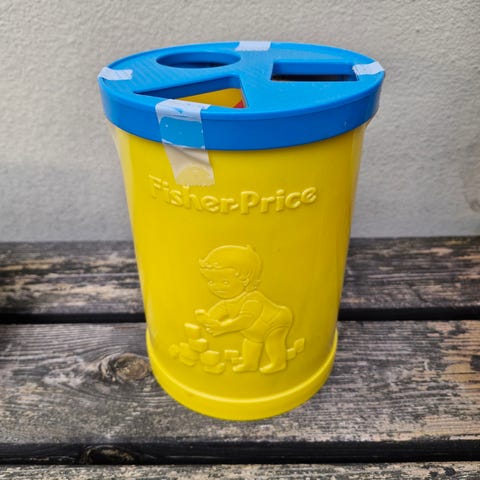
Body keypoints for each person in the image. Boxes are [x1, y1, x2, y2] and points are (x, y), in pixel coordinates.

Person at [195, 245, 293, 374]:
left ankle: (278, 363)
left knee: (273, 341)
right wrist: (207, 318)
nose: (217, 287)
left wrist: (223, 328)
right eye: (212, 282)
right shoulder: (229, 301)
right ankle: (250, 364)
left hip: (275, 322)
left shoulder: (252, 300)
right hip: (255, 330)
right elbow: (219, 310)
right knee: (251, 342)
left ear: (245, 280)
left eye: (225, 282)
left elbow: (245, 321)